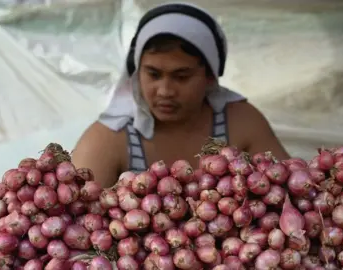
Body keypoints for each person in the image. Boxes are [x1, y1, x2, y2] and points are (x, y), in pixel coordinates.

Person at [72, 2, 290, 188]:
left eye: (182, 76)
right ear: (137, 73)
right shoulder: (110, 138)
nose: (165, 91)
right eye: (153, 74)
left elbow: (289, 188)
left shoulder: (241, 123)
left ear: (210, 77)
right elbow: (75, 215)